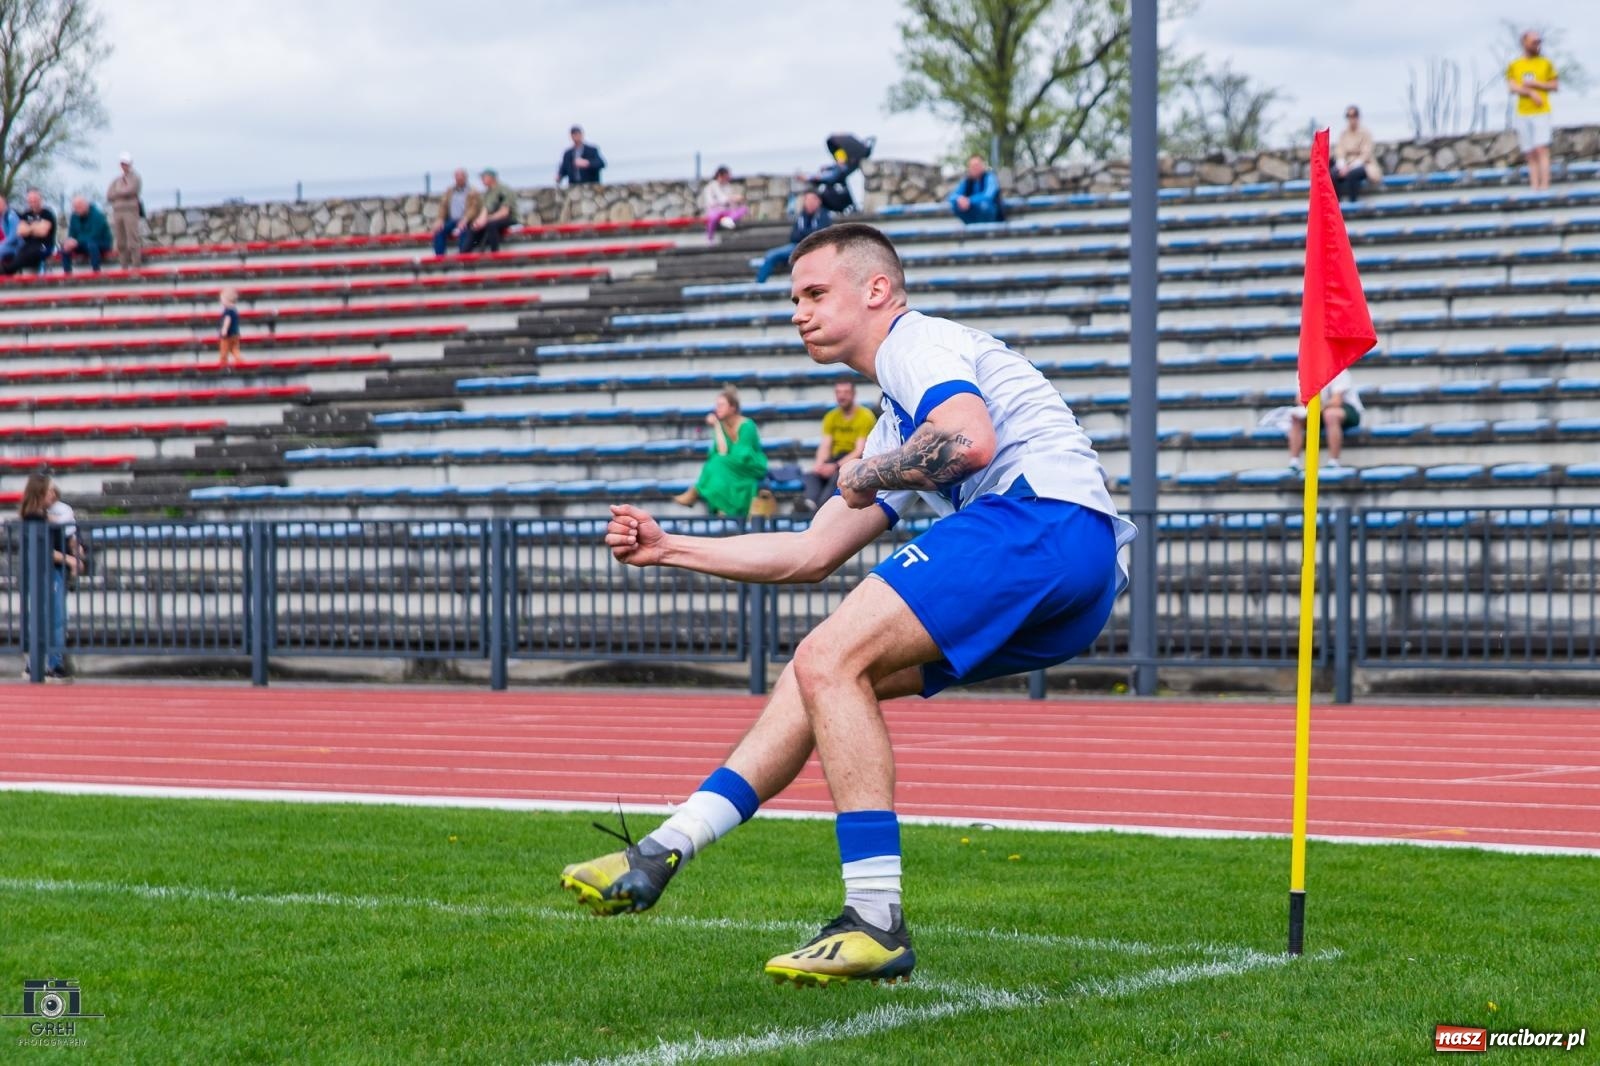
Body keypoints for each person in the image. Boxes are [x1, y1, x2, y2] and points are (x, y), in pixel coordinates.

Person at [561, 223, 1135, 986]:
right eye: (793, 299)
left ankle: (874, 919)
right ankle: (662, 850)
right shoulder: (898, 414)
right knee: (818, 675)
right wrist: (672, 548)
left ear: (876, 290)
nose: (798, 313)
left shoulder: (913, 343)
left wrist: (867, 474)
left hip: (1040, 522)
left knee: (830, 656)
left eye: (814, 293)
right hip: (1079, 568)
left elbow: (969, 443)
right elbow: (811, 552)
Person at [670, 385, 768, 516]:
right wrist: (717, 426)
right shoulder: (722, 425)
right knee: (716, 464)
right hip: (730, 466)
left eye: (722, 405)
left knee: (717, 463)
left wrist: (725, 455)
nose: (718, 408)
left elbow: (741, 456)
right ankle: (719, 506)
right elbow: (721, 451)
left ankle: (696, 491)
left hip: (748, 467)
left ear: (732, 408)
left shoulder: (747, 425)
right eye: (717, 405)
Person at [18, 473, 80, 682]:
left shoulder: (49, 514)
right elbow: (44, 549)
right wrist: (70, 560)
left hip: (53, 569)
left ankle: (46, 663)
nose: (53, 494)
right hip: (46, 570)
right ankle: (47, 664)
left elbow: (66, 537)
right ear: (40, 493)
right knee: (51, 617)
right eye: (49, 490)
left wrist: (76, 550)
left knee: (54, 617)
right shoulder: (33, 517)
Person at [800, 380, 875, 513]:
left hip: (855, 461)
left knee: (838, 476)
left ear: (853, 394)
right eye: (838, 392)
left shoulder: (865, 416)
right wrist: (820, 464)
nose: (842, 396)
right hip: (836, 458)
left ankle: (820, 508)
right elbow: (825, 445)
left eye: (846, 392)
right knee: (811, 475)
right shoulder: (831, 416)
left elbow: (859, 450)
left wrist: (835, 466)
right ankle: (811, 503)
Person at [1507, 30, 1559, 192]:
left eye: (1539, 42)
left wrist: (1536, 84)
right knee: (1530, 153)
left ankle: (1545, 185)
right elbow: (1512, 86)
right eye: (1534, 42)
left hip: (1541, 111)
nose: (1537, 45)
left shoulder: (1546, 63)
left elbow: (1554, 85)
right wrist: (1529, 92)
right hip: (1523, 112)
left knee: (1541, 148)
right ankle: (1534, 186)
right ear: (1525, 43)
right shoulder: (1515, 65)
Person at [1287, 368, 1362, 470]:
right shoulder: (1304, 369)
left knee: (1330, 415)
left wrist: (1317, 408)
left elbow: (1337, 401)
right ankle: (1294, 462)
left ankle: (1333, 461)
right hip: (1320, 409)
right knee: (1296, 416)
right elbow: (1299, 399)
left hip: (1347, 409)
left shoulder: (1339, 370)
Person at [755, 191, 832, 284]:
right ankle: (758, 286)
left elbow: (819, 235)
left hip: (815, 249)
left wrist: (803, 233)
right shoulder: (802, 216)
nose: (809, 202)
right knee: (771, 255)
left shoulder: (824, 215)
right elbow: (793, 236)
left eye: (812, 199)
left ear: (819, 201)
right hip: (797, 246)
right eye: (807, 199)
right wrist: (807, 233)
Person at [1331, 106, 1382, 203]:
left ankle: (1353, 203)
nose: (1351, 119)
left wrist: (1348, 168)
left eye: (1354, 115)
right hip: (1346, 164)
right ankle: (1336, 203)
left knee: (1352, 174)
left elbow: (1366, 154)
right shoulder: (1343, 133)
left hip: (1364, 165)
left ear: (1358, 117)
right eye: (1348, 116)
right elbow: (1340, 151)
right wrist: (1342, 166)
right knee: (1333, 174)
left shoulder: (1365, 133)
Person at [0, 189, 56, 276]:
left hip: (44, 246)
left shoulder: (47, 214)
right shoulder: (26, 214)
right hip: (28, 245)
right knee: (22, 252)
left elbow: (43, 232)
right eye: (30, 200)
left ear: (40, 199)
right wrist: (36, 226)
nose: (32, 202)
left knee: (30, 252)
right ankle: (8, 271)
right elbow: (20, 231)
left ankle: (7, 270)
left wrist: (29, 228)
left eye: (35, 199)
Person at [465, 168, 517, 253]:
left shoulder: (504, 190)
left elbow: (504, 212)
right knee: (473, 226)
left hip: (510, 218)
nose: (481, 179)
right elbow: (485, 209)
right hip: (493, 219)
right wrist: (479, 222)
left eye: (483, 177)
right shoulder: (488, 192)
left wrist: (486, 220)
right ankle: (465, 254)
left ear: (491, 178)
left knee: (491, 225)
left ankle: (495, 253)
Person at [58, 197, 115, 274]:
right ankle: (67, 273)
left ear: (86, 205)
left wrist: (76, 241)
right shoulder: (74, 216)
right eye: (75, 208)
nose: (76, 210)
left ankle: (96, 272)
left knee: (92, 245)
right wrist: (69, 241)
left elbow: (94, 235)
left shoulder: (98, 216)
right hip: (82, 243)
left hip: (101, 242)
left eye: (79, 207)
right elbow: (72, 234)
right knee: (65, 247)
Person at [107, 151, 144, 269]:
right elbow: (109, 195)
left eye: (126, 163)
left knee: (133, 239)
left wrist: (118, 193)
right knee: (120, 241)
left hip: (130, 210)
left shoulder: (135, 178)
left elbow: (131, 190)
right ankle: (124, 266)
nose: (124, 166)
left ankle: (136, 266)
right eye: (122, 163)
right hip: (117, 211)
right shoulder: (117, 180)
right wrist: (121, 193)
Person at [432, 169, 481, 256]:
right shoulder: (449, 191)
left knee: (464, 233)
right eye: (457, 176)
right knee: (439, 231)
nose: (459, 179)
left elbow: (474, 208)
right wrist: (440, 219)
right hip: (452, 220)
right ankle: (439, 257)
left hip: (467, 220)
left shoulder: (473, 191)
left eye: (461, 176)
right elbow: (443, 206)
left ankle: (462, 257)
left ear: (465, 177)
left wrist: (465, 219)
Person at [948, 155, 1003, 224]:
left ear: (983, 166)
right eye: (972, 166)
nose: (975, 168)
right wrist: (959, 199)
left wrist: (969, 201)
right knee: (956, 205)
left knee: (984, 206)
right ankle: (971, 226)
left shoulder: (990, 177)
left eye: (977, 165)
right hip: (973, 215)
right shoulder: (967, 181)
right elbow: (952, 196)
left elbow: (988, 195)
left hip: (992, 215)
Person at [697, 166, 747, 242]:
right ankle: (710, 238)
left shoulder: (727, 186)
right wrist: (732, 198)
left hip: (726, 211)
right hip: (715, 211)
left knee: (744, 209)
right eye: (727, 176)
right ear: (720, 175)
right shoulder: (711, 186)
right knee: (713, 217)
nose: (728, 178)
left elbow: (730, 203)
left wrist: (736, 202)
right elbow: (712, 202)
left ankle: (729, 219)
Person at [217, 288, 241, 366]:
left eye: (222, 299)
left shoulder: (228, 310)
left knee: (224, 349)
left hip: (228, 335)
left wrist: (224, 329)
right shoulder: (234, 310)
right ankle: (239, 360)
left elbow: (227, 320)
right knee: (234, 349)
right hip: (235, 334)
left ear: (228, 300)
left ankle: (223, 362)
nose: (221, 301)